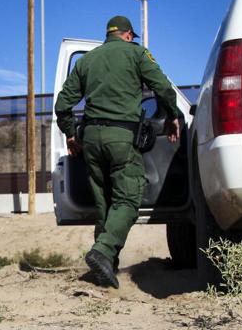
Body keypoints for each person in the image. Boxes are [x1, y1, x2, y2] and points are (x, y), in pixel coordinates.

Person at [54, 15, 182, 288]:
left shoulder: (86, 61)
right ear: (127, 35)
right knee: (127, 199)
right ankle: (102, 252)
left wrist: (71, 134)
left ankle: (106, 268)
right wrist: (174, 116)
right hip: (121, 138)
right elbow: (162, 87)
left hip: (90, 138)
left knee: (105, 205)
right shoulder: (136, 54)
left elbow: (62, 104)